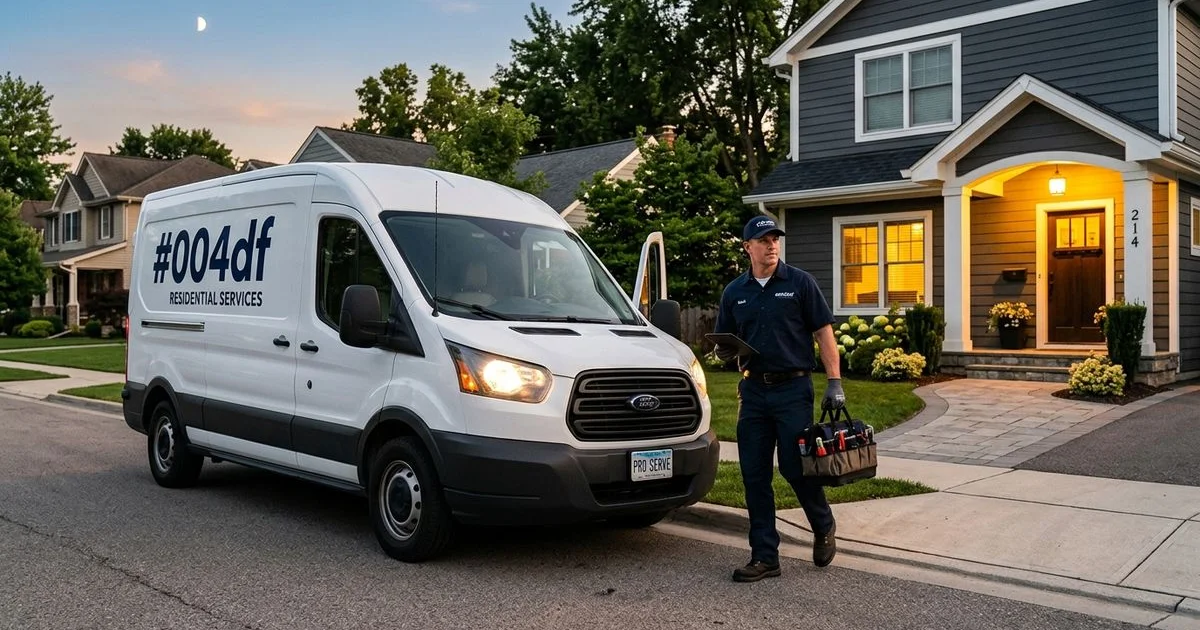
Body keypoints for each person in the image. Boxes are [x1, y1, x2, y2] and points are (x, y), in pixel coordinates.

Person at [712, 215, 845, 583]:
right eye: (763, 239)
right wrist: (724, 352)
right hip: (752, 390)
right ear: (747, 247)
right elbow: (726, 338)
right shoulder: (734, 291)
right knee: (754, 474)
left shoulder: (800, 283)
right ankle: (765, 557)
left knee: (795, 466)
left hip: (793, 390)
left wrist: (835, 383)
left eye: (775, 238)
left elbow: (823, 333)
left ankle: (823, 523)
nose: (771, 245)